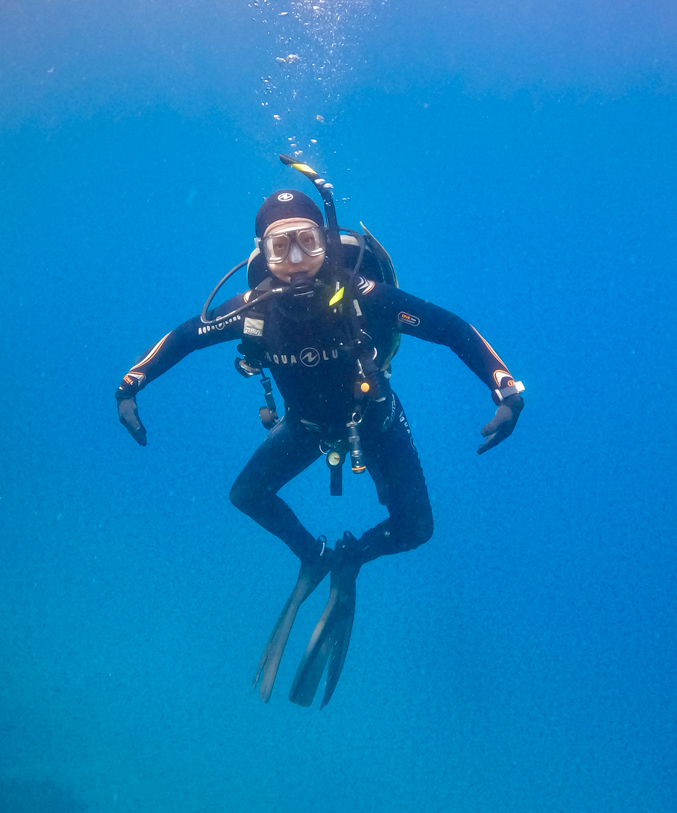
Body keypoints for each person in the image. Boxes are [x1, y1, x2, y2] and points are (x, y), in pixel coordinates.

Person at [116, 157, 524, 707]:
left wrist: (506, 390)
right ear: (262, 253)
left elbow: (451, 328)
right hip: (306, 428)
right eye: (280, 247)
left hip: (375, 420)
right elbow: (187, 336)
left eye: (307, 243)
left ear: (326, 243)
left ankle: (352, 557)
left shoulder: (363, 295)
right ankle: (313, 556)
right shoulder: (252, 311)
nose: (296, 262)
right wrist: (130, 385)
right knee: (247, 495)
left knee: (416, 529)